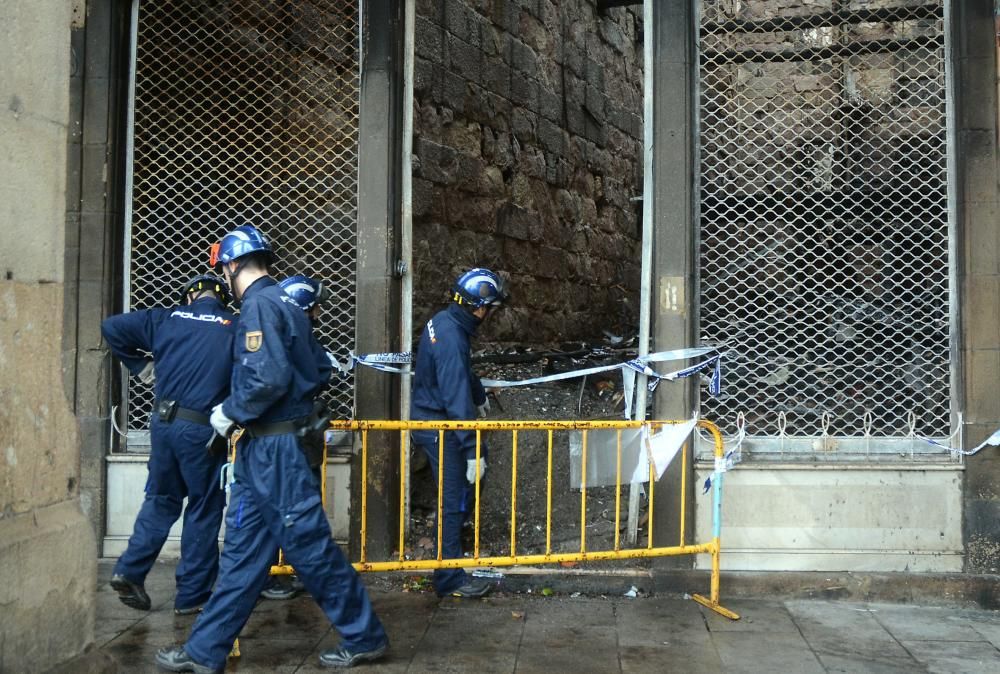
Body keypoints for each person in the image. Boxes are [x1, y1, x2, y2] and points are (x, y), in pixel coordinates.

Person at [155, 225, 388, 673]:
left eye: (224, 267)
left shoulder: (259, 306)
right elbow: (318, 368)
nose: (223, 274)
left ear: (233, 265)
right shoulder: (288, 302)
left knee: (310, 547)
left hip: (274, 450)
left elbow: (268, 378)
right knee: (242, 554)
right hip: (269, 448)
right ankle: (205, 652)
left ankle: (364, 635)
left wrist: (230, 410)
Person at [103, 274, 236, 615]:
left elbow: (111, 327)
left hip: (162, 425)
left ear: (188, 298)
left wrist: (139, 366)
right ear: (222, 298)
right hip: (202, 431)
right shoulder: (232, 325)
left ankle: (129, 570)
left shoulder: (165, 318)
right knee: (204, 508)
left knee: (161, 499)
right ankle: (192, 596)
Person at [410, 267, 509, 599]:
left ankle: (451, 539)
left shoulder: (445, 321)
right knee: (454, 497)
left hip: (434, 418)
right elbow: (454, 396)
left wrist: (478, 394)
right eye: (490, 308)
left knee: (463, 489)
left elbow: (461, 373)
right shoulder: (452, 338)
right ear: (478, 307)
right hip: (441, 425)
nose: (489, 315)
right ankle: (449, 575)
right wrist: (471, 450)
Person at [258, 274, 332, 602]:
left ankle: (281, 572)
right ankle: (282, 573)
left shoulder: (287, 332)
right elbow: (320, 373)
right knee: (296, 507)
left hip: (288, 437)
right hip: (289, 439)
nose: (317, 314)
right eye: (314, 308)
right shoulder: (294, 336)